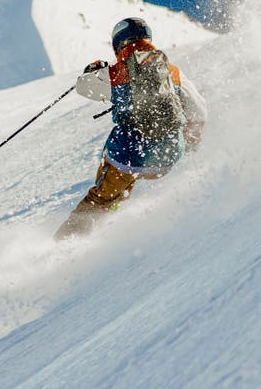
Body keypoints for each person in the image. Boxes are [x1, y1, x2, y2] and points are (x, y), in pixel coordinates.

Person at [54, 16, 207, 240]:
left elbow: (83, 87)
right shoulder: (171, 71)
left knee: (103, 194)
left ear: (119, 44)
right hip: (167, 157)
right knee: (128, 177)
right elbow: (199, 110)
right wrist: (190, 141)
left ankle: (65, 242)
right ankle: (109, 215)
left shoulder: (117, 72)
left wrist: (93, 71)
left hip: (128, 158)